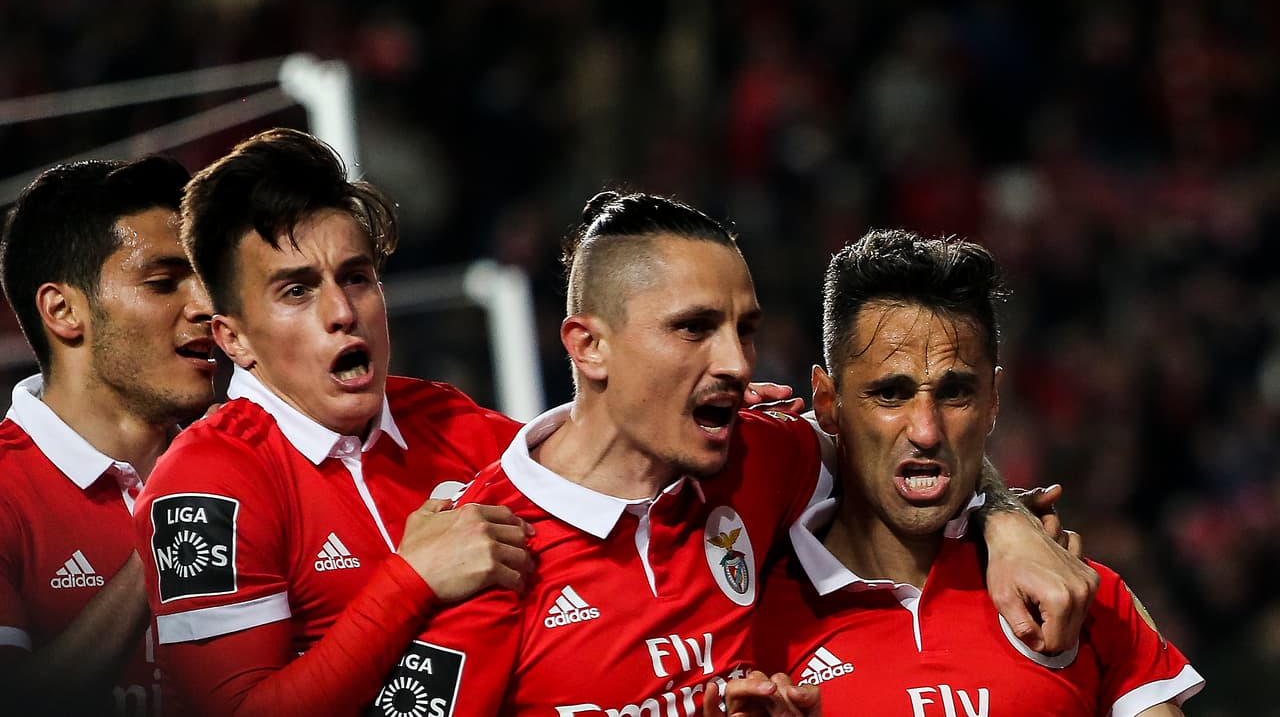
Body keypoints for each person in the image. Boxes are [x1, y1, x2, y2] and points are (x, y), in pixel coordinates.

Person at [364, 192, 1097, 717]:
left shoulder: (759, 455)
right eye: (695, 328)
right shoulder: (482, 547)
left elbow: (912, 447)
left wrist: (1006, 521)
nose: (737, 362)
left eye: (744, 329)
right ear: (589, 345)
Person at [133, 129, 536, 717]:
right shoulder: (203, 487)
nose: (343, 313)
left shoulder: (459, 427)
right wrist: (411, 580)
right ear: (233, 338)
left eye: (356, 277)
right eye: (296, 291)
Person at [752, 229, 1205, 715]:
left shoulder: (1077, 596)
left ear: (992, 401)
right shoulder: (747, 623)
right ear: (827, 402)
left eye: (955, 394)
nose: (926, 430)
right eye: (890, 394)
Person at [0, 156, 217, 716]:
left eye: (208, 279)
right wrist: (167, 541)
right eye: (164, 282)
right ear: (63, 309)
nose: (207, 307)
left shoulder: (247, 465)